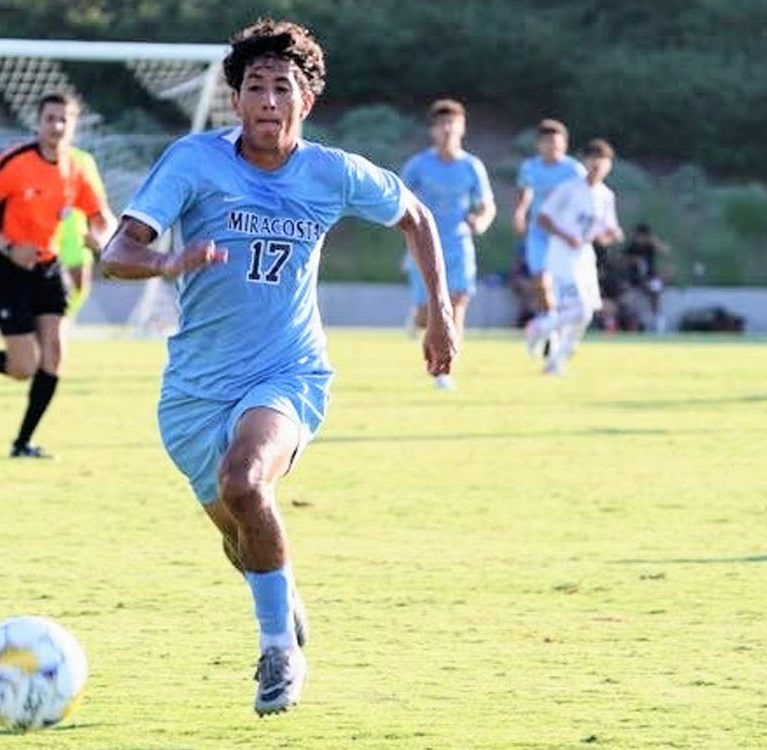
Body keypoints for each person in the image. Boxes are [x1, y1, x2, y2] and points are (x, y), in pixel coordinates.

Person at [99, 19, 456, 716]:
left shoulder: (331, 172)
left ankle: (278, 652)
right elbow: (118, 251)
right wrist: (169, 260)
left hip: (288, 375)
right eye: (254, 87)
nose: (267, 100)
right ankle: (280, 594)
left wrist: (442, 312)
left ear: (306, 102)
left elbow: (417, 217)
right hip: (193, 392)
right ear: (235, 100)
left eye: (281, 88)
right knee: (240, 536)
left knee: (245, 479)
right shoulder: (193, 162)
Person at [0, 92, 114, 458]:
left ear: (73, 126)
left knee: (53, 355)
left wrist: (98, 238)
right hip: (5, 271)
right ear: (37, 122)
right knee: (23, 368)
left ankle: (23, 444)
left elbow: (102, 218)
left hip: (47, 268)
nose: (56, 126)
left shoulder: (78, 168)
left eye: (63, 119)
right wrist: (8, 247)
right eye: (49, 118)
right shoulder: (14, 163)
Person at [399, 98, 493, 390]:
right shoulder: (418, 164)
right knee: (427, 312)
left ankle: (443, 370)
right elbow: (399, 200)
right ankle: (415, 320)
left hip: (459, 245)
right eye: (442, 124)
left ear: (463, 128)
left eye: (454, 123)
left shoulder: (472, 166)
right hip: (425, 246)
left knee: (456, 304)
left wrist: (480, 221)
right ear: (433, 130)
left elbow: (487, 205)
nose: (448, 129)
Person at [533, 138, 623, 374]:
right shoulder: (569, 188)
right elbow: (543, 218)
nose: (597, 165)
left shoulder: (606, 196)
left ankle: (556, 361)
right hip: (562, 255)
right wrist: (565, 236)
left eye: (602, 161)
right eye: (592, 159)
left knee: (588, 310)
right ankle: (540, 327)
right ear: (584, 162)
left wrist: (612, 234)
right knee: (578, 309)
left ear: (609, 165)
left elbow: (604, 233)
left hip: (584, 256)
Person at [511, 119, 585, 355]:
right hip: (539, 233)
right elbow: (524, 193)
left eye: (555, 142)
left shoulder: (574, 170)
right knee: (541, 281)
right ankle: (551, 330)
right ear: (538, 145)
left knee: (563, 288)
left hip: (564, 237)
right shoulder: (530, 167)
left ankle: (557, 331)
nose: (551, 146)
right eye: (546, 142)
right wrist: (520, 213)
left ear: (564, 144)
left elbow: (584, 199)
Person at [53, 145, 108, 325]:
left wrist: (95, 232)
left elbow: (97, 200)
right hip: (45, 231)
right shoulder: (31, 157)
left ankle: (63, 319)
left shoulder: (83, 160)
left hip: (75, 230)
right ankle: (52, 322)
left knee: (80, 285)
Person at [621, 223, 669, 332]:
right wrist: (633, 260)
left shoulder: (651, 246)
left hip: (651, 278)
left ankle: (658, 320)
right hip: (634, 280)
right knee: (629, 300)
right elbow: (621, 261)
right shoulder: (632, 247)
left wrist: (655, 241)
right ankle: (635, 324)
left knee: (655, 289)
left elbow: (666, 252)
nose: (641, 239)